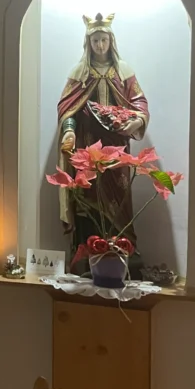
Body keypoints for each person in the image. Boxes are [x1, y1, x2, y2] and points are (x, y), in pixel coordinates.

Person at [56, 14, 150, 262]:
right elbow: (68, 108)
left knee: (120, 199)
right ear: (88, 43)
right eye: (95, 40)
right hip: (87, 148)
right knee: (88, 198)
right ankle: (87, 254)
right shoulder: (80, 73)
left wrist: (137, 120)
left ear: (111, 41)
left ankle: (121, 253)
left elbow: (139, 101)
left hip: (117, 148)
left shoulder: (123, 71)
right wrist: (68, 130)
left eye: (103, 40)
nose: (100, 46)